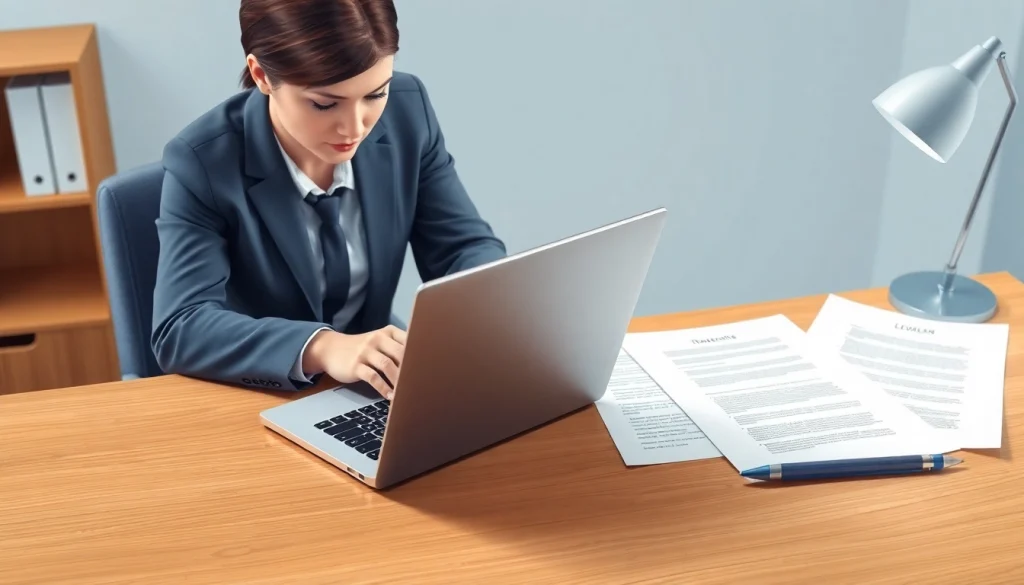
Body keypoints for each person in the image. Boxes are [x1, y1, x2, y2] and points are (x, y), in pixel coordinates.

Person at [151, 0, 506, 399]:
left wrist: (488, 307)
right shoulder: (201, 162)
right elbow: (181, 326)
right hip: (260, 393)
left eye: (375, 94)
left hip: (373, 383)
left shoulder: (409, 110)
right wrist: (323, 346)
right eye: (324, 103)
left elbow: (463, 246)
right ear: (261, 75)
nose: (355, 127)